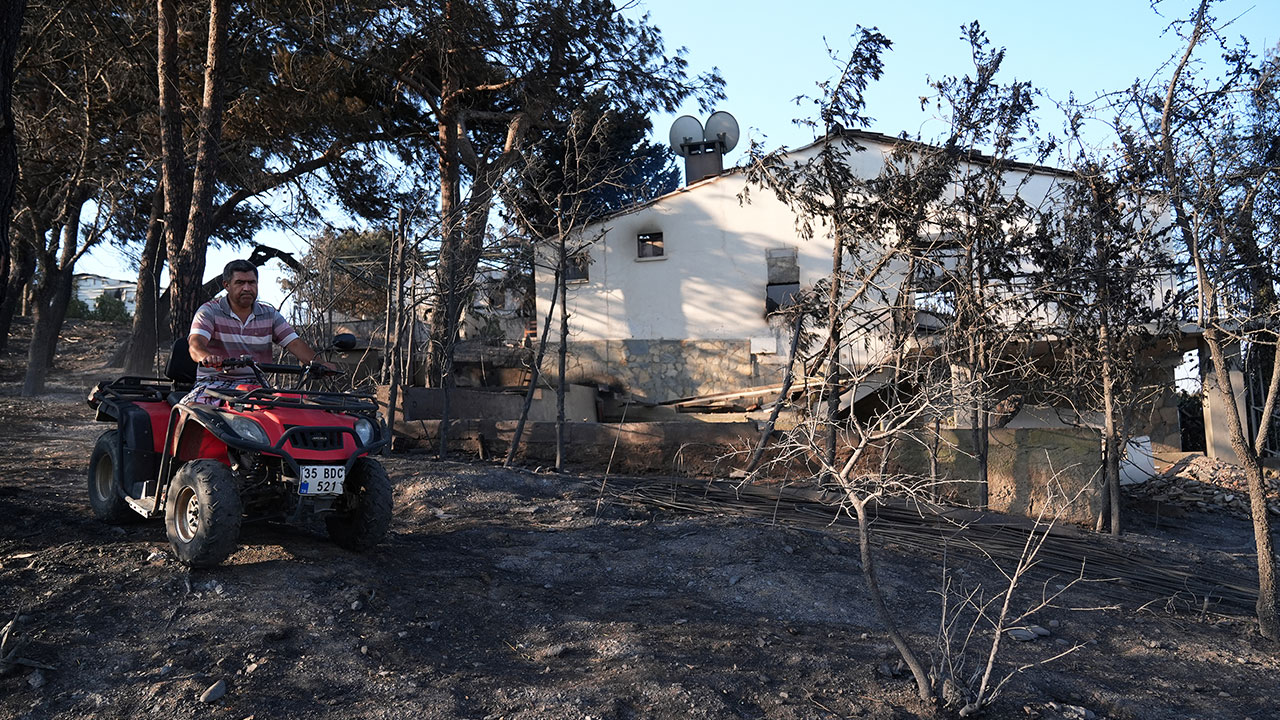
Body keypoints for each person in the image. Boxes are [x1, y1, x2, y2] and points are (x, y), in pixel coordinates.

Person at [182, 259, 333, 404]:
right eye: (240, 283)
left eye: (252, 282)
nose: (247, 288)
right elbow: (196, 343)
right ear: (226, 285)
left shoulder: (270, 314)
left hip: (256, 386)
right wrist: (207, 357)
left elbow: (294, 343)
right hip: (214, 383)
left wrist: (321, 364)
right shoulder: (209, 311)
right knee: (194, 410)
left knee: (290, 411)